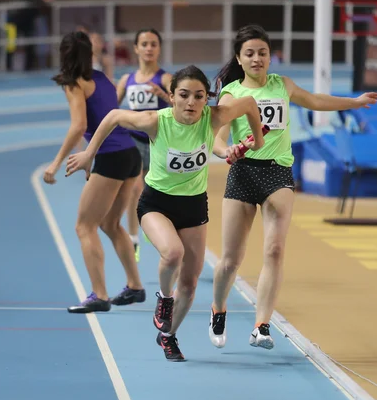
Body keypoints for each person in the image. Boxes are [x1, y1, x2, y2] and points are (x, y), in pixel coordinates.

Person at [65, 65, 264, 361]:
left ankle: (168, 335)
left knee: (190, 282)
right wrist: (88, 154)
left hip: (194, 205)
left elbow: (249, 104)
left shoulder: (214, 117)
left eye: (199, 96)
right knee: (172, 253)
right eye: (183, 95)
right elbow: (113, 116)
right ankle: (164, 298)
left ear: (206, 99)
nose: (191, 103)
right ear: (171, 97)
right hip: (156, 203)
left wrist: (249, 145)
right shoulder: (156, 121)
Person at [209, 24, 377, 350]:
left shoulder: (282, 85)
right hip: (243, 173)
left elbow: (314, 100)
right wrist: (226, 151)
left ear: (270, 57)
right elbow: (217, 140)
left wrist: (354, 102)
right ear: (239, 59)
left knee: (275, 250)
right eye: (250, 54)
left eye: (262, 52)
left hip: (278, 174)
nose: (257, 58)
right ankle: (218, 310)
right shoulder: (231, 93)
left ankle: (261, 325)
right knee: (231, 259)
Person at [43, 31, 146, 313]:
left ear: (63, 55)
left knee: (84, 226)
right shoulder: (103, 79)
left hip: (110, 157)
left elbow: (79, 125)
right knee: (111, 224)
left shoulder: (74, 84)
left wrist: (55, 162)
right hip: (130, 155)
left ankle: (99, 294)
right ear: (89, 54)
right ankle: (135, 286)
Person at [116, 29, 172, 262]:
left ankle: (155, 228)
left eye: (153, 44)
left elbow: (180, 106)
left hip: (158, 141)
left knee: (155, 192)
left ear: (159, 49)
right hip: (134, 141)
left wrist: (162, 94)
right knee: (135, 188)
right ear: (136, 48)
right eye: (144, 44)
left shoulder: (166, 78)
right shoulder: (126, 80)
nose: (149, 48)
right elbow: (112, 108)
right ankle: (133, 237)